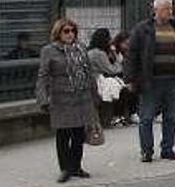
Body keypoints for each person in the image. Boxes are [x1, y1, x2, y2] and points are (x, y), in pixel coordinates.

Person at [127, 0, 175, 163]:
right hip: (151, 80)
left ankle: (168, 149)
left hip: (172, 79)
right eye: (166, 9)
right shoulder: (143, 29)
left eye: (170, 9)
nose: (170, 12)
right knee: (147, 117)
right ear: (156, 10)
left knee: (171, 117)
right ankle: (146, 150)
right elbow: (132, 54)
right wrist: (131, 78)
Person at [37, 19, 95, 183]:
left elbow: (88, 71)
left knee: (78, 134)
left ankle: (76, 166)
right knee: (63, 135)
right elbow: (43, 76)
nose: (70, 34)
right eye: (66, 31)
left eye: (72, 31)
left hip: (81, 96)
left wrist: (94, 94)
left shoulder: (81, 48)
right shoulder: (49, 51)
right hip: (61, 98)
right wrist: (42, 98)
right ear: (58, 33)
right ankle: (65, 169)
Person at [86, 28, 128, 127]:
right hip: (98, 80)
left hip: (93, 79)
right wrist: (117, 58)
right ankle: (117, 116)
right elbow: (112, 70)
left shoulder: (90, 51)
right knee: (122, 89)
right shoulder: (99, 54)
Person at [111, 32, 138, 124]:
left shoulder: (128, 52)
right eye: (125, 43)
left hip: (124, 76)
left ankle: (132, 113)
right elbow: (115, 67)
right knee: (125, 90)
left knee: (134, 86)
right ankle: (121, 115)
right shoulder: (113, 52)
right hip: (114, 77)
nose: (127, 46)